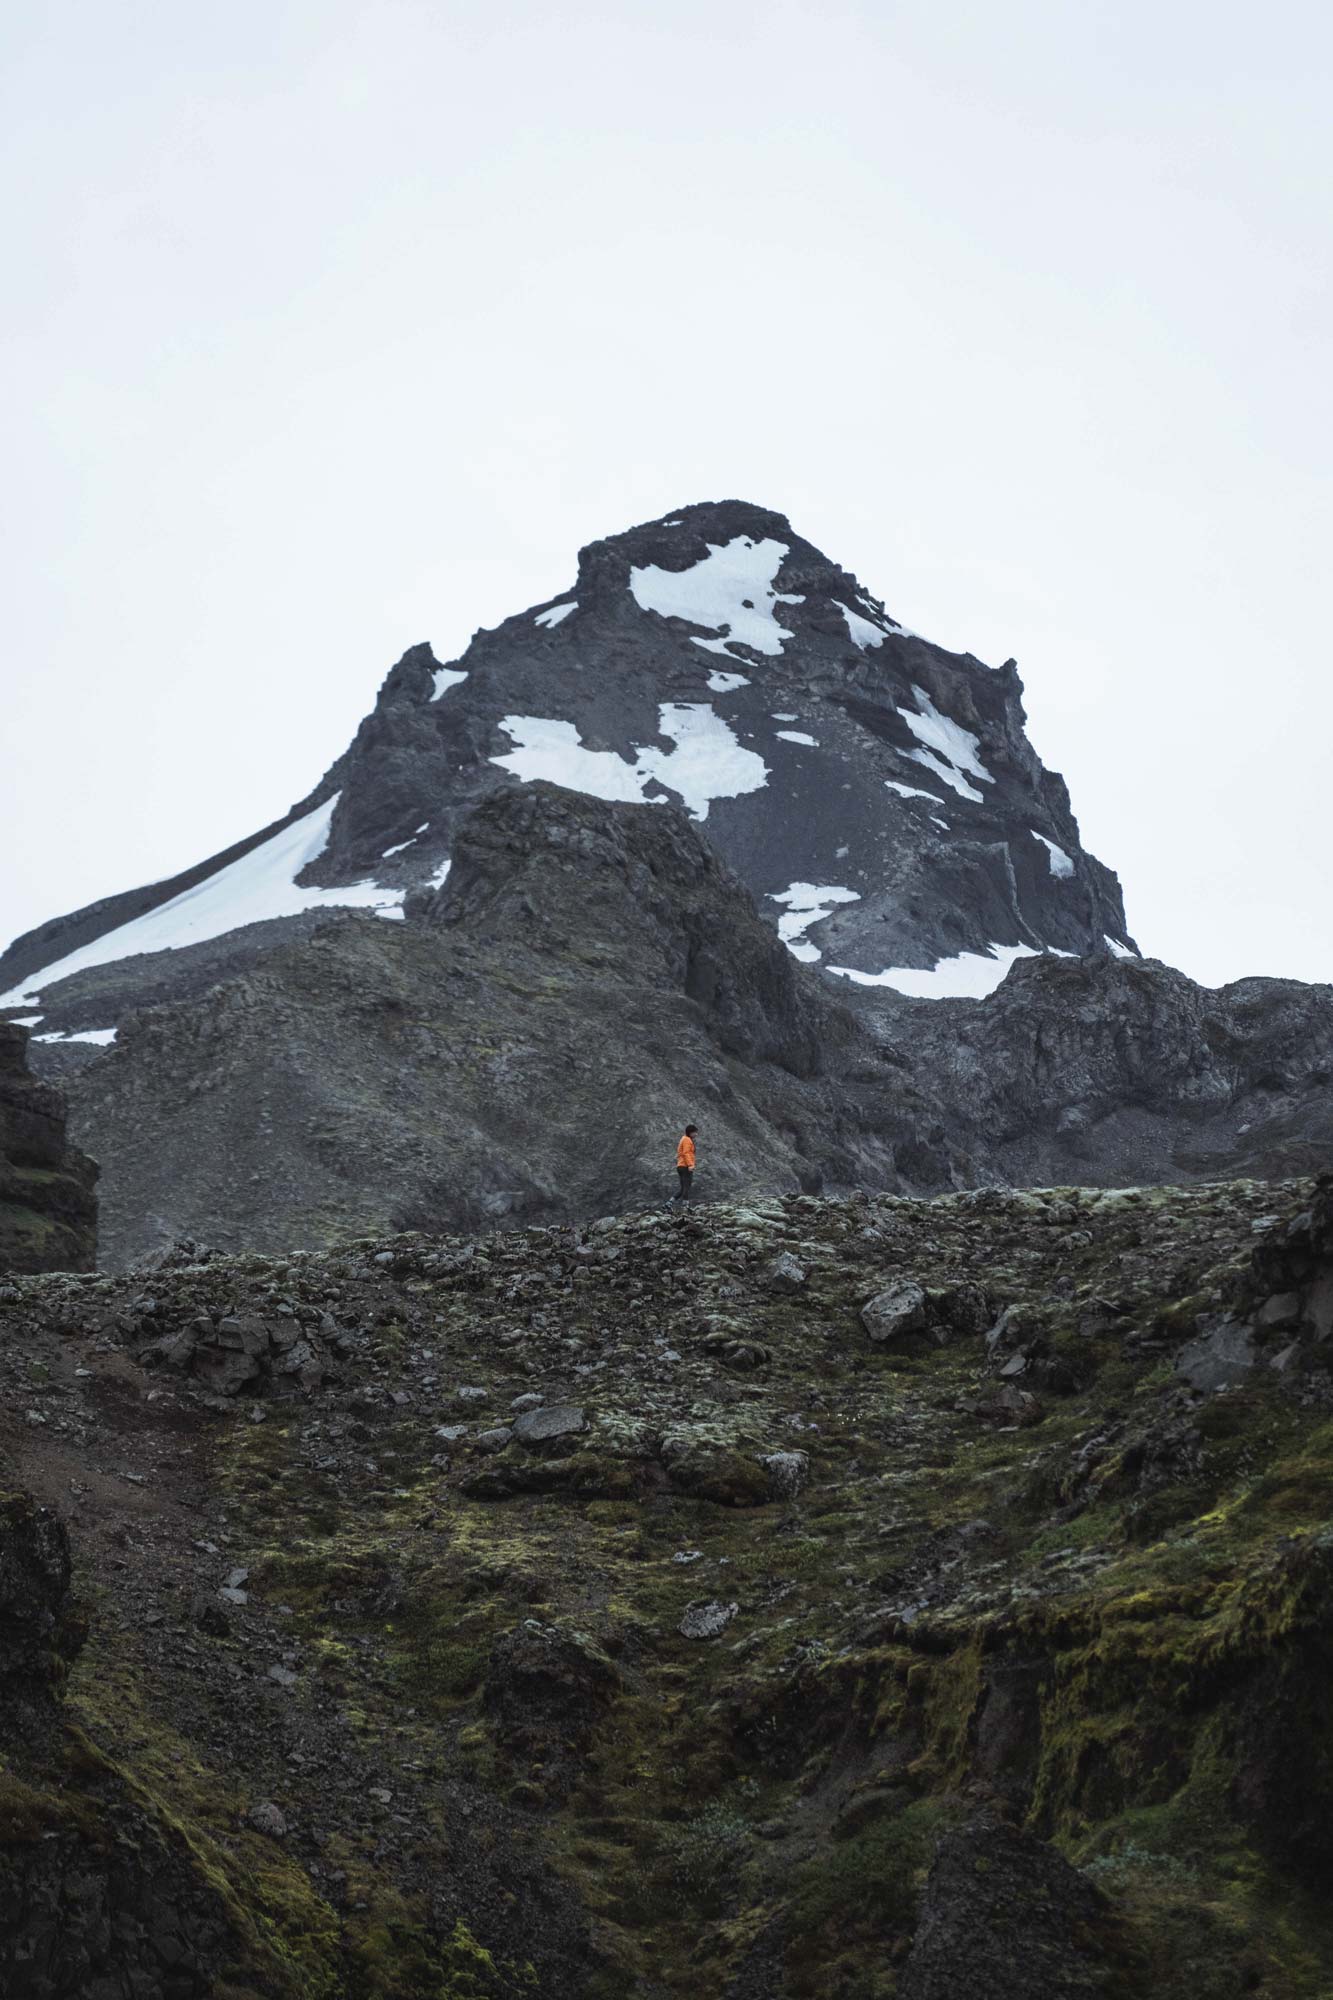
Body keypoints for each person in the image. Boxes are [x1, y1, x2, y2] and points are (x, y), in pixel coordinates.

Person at [674, 1125, 698, 1204]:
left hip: (681, 1166)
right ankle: (685, 1207)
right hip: (685, 1166)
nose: (696, 1134)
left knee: (682, 1189)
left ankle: (668, 1204)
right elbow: (686, 1153)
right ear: (690, 1132)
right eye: (695, 1132)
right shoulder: (687, 1140)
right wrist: (690, 1165)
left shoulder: (684, 1139)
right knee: (686, 1187)